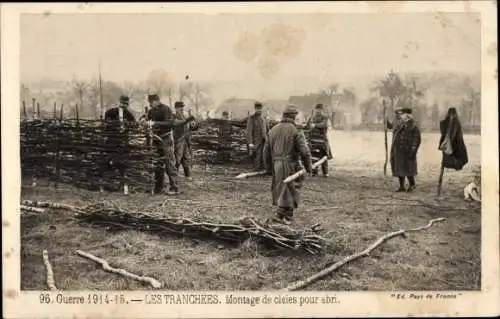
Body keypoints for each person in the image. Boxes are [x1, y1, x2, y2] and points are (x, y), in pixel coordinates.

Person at [263, 104, 312, 224]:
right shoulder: (296, 130)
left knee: (281, 187)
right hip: (291, 164)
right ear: (293, 116)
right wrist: (308, 167)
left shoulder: (273, 130)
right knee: (292, 188)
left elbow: (266, 151)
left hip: (276, 164)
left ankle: (281, 214)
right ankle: (286, 216)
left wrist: (269, 167)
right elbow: (305, 152)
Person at [146, 94, 189, 195]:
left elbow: (169, 123)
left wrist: (154, 123)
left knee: (169, 162)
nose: (150, 104)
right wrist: (146, 122)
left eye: (151, 102)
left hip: (166, 138)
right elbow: (148, 122)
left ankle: (174, 187)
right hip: (156, 139)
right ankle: (158, 187)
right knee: (157, 162)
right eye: (150, 103)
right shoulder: (151, 111)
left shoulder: (166, 109)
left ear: (157, 100)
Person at [99, 95, 136, 191]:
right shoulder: (111, 112)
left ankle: (123, 186)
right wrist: (115, 125)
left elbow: (134, 125)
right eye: (122, 103)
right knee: (108, 162)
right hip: (112, 141)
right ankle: (106, 185)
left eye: (126, 104)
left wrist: (127, 126)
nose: (124, 105)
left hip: (123, 142)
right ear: (119, 102)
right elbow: (106, 123)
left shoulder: (129, 115)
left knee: (122, 164)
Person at [387, 107, 421, 192]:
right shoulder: (400, 124)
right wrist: (386, 120)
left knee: (408, 168)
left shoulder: (413, 125)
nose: (400, 116)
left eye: (402, 114)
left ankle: (412, 184)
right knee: (400, 168)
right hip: (398, 151)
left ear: (408, 115)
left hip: (407, 151)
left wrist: (413, 150)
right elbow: (391, 127)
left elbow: (417, 139)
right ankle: (401, 186)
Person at [306, 103, 333, 177]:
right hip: (313, 140)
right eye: (317, 110)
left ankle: (325, 172)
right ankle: (314, 171)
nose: (318, 111)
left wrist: (315, 125)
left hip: (322, 140)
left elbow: (324, 124)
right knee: (314, 156)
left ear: (322, 110)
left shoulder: (325, 118)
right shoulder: (312, 118)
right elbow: (307, 126)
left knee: (324, 156)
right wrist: (309, 120)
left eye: (319, 110)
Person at [173, 101, 197, 180]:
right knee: (177, 158)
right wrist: (186, 121)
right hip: (178, 140)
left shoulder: (184, 116)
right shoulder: (173, 115)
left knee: (186, 157)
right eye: (180, 107)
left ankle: (188, 175)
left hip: (186, 140)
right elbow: (175, 123)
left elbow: (191, 127)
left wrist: (193, 124)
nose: (182, 108)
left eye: (182, 107)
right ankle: (173, 176)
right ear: (176, 108)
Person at [246, 102, 269, 171]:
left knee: (264, 155)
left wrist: (268, 138)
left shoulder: (263, 118)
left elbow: (267, 129)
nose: (259, 110)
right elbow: (249, 131)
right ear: (255, 109)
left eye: (260, 109)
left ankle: (262, 168)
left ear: (262, 109)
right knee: (256, 155)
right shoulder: (252, 118)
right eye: (257, 109)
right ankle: (256, 169)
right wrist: (250, 142)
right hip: (255, 140)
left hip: (264, 140)